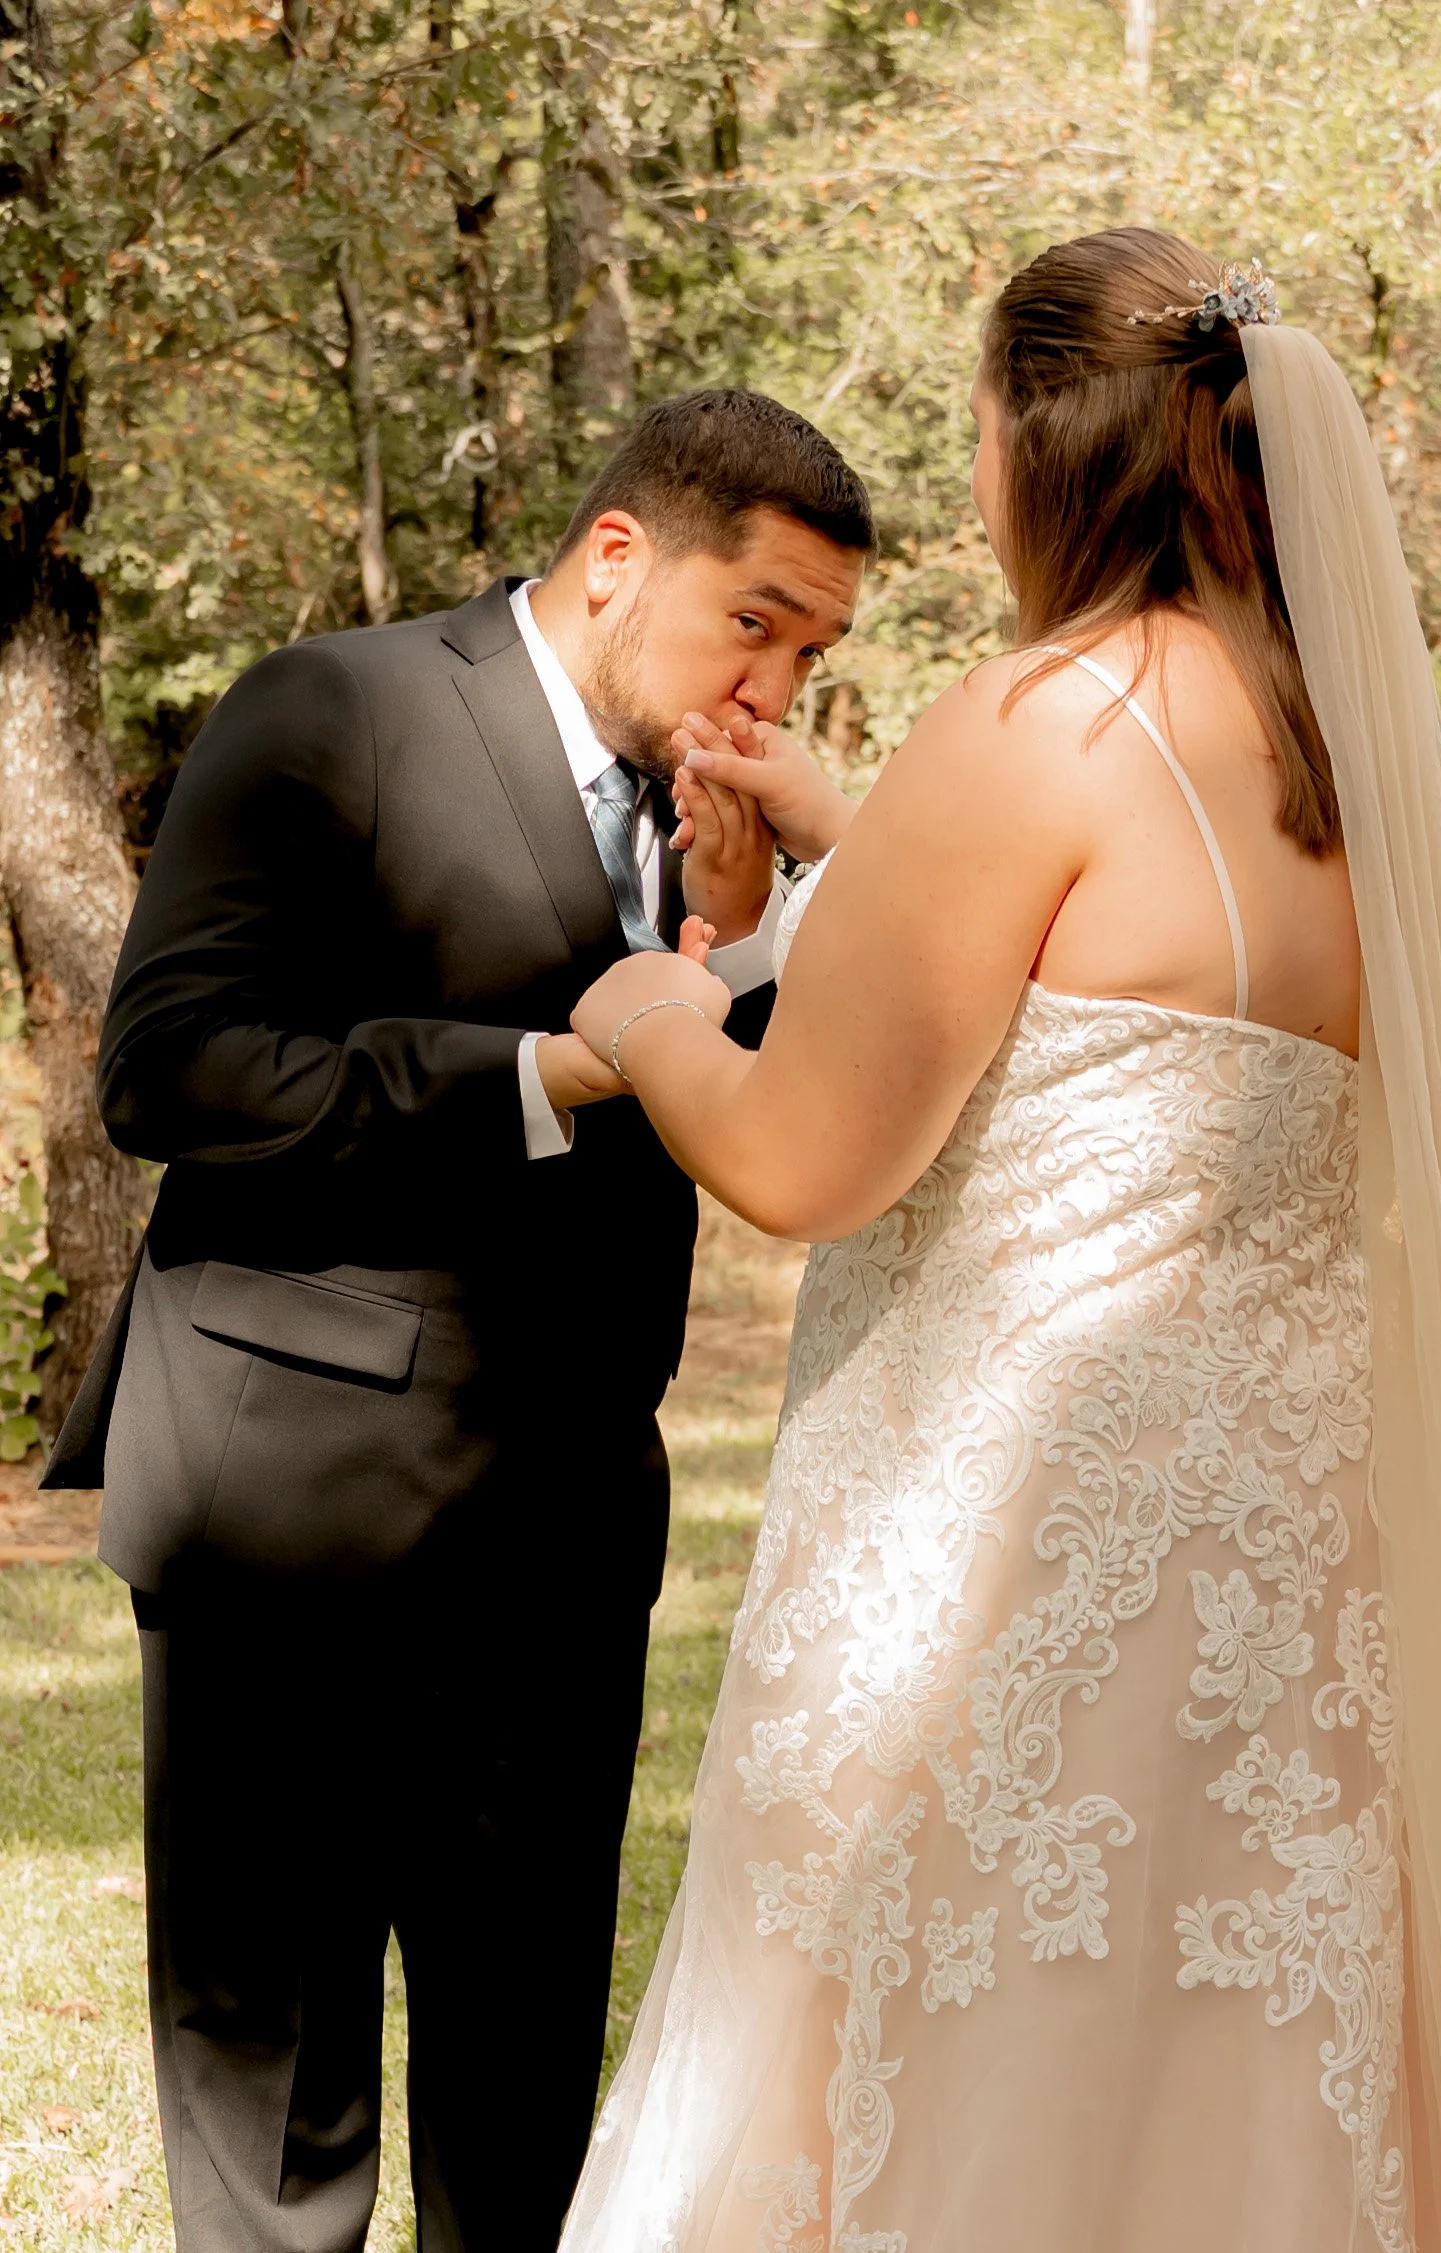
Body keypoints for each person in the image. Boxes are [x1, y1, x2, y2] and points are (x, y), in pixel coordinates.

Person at [560, 231, 1441, 2250]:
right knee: (1230, 2061)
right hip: (1284, 1563)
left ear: (1043, 444)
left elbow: (807, 1157)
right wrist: (856, 831)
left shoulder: (1038, 723)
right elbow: (1134, 981)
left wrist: (649, 1017)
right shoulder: (1376, 751)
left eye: (984, 428)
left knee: (986, 2054)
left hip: (1024, 1568)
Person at [40, 390, 872, 2251]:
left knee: (520, 2113)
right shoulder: (327, 711)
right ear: (614, 558)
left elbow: (707, 1101)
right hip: (295, 1515)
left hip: (565, 1532)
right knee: (279, 2125)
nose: (782, 686)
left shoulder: (702, 812)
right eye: (760, 622)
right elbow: (168, 1071)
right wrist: (529, 1072)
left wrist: (733, 953)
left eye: (815, 652)